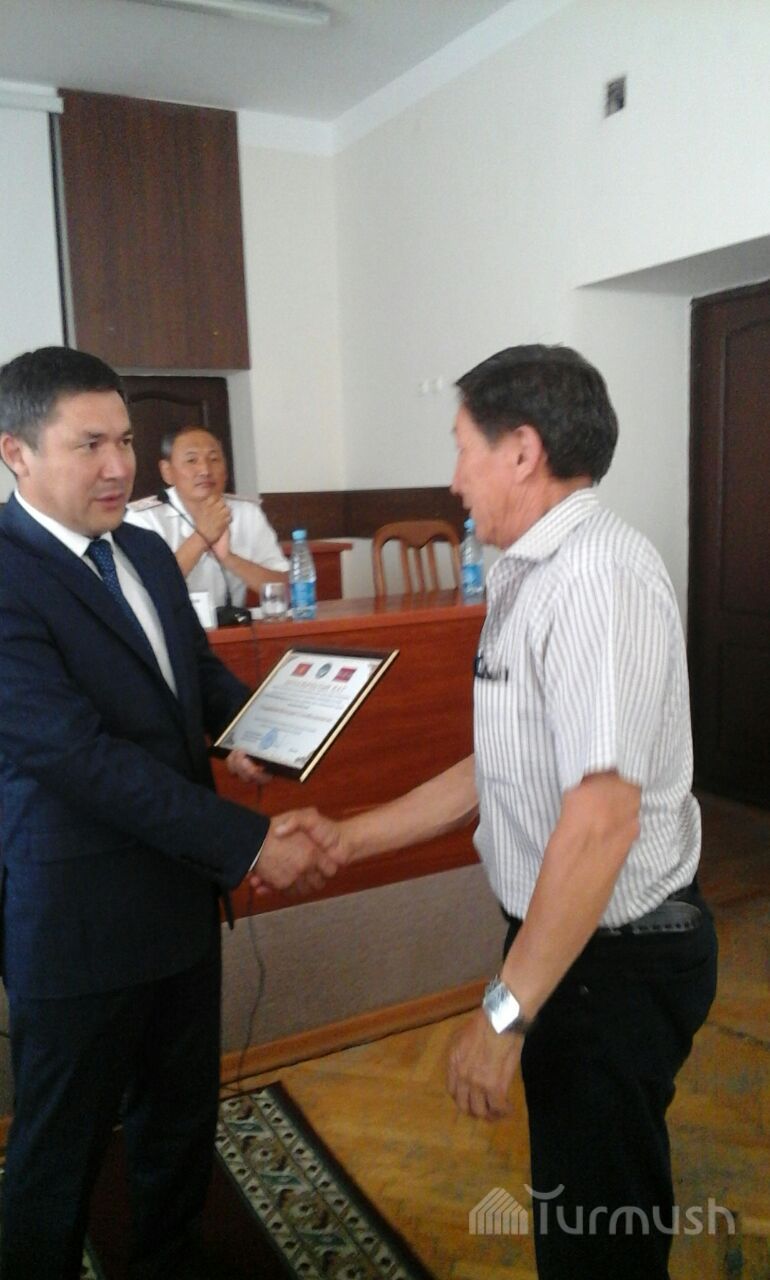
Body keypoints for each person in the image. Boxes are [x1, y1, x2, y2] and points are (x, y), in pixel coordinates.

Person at [275, 344, 718, 1280]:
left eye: (461, 447)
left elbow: (601, 821)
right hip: (569, 942)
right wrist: (351, 834)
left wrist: (504, 1014)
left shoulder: (595, 578)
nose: (453, 478)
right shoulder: (535, 569)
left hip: (613, 957)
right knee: (581, 1197)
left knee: (599, 1229)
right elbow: (503, 764)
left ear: (521, 451)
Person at [0, 347, 331, 1279]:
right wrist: (250, 842)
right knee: (59, 1151)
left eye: (126, 441)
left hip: (180, 899)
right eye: (90, 445)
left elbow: (195, 677)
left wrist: (251, 730)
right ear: (16, 452)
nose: (119, 466)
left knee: (179, 1124)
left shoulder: (143, 547)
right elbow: (78, 759)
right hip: (79, 922)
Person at [125, 425, 288, 609]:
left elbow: (289, 590)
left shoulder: (246, 512)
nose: (205, 470)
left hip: (231, 625)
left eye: (214, 459)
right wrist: (201, 537)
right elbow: (145, 592)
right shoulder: (143, 518)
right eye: (192, 460)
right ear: (167, 471)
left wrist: (229, 558)